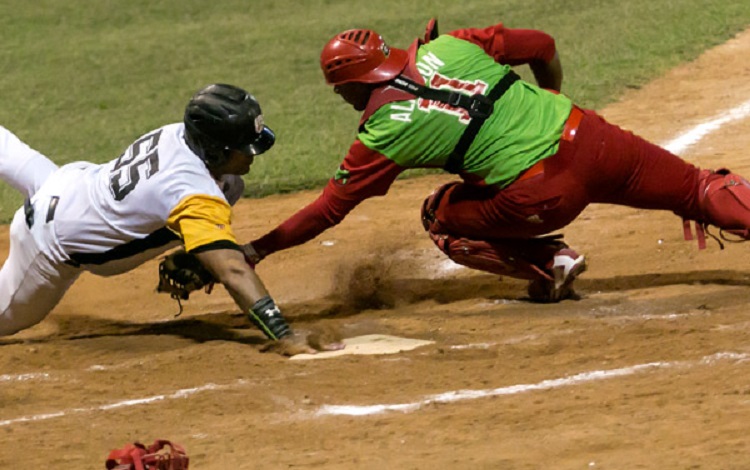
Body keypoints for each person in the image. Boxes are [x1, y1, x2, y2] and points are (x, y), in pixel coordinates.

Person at [243, 20, 750, 302]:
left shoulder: (381, 133)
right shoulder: (448, 46)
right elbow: (542, 45)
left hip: (545, 195)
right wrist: (550, 99)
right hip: (592, 136)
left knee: (438, 215)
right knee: (698, 188)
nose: (342, 99)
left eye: (342, 91)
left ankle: (551, 264)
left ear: (356, 82)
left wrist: (257, 250)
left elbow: (327, 210)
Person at [0, 83, 342, 356]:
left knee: (230, 187)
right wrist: (283, 333)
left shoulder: (181, 133)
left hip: (67, 183)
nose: (252, 154)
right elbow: (233, 270)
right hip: (48, 245)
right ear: (216, 150)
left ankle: (197, 244)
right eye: (244, 147)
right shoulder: (191, 192)